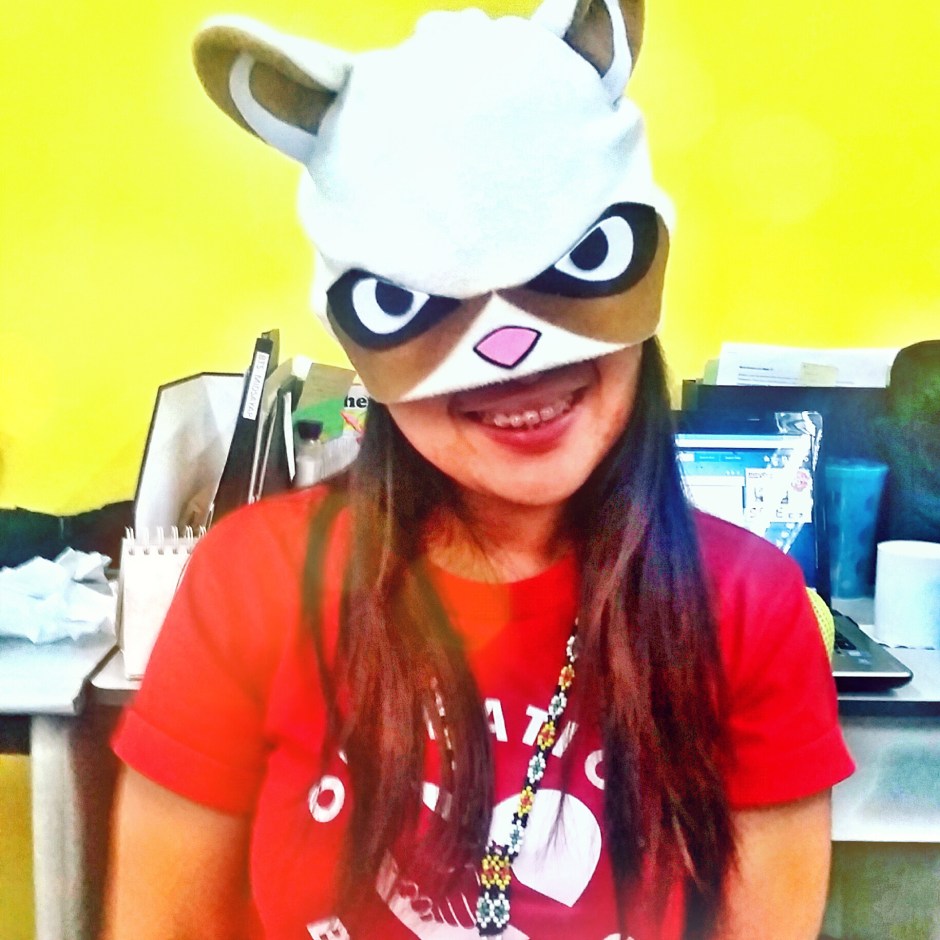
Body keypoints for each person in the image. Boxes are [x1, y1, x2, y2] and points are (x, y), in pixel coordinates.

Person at [102, 1, 854, 938]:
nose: (512, 359)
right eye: (422, 300)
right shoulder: (255, 583)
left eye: (572, 264)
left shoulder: (747, 607)